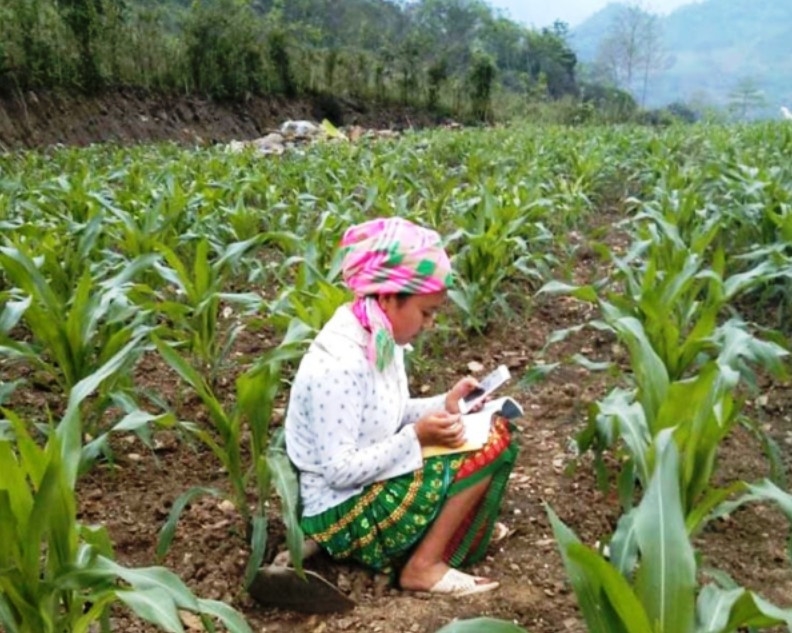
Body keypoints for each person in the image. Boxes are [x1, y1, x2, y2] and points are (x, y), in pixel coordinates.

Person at [284, 216, 519, 597]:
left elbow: (385, 413)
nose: (429, 324)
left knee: (496, 430)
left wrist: (447, 403)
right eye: (426, 313)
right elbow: (339, 470)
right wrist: (417, 436)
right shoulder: (340, 363)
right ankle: (422, 567)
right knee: (486, 449)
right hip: (342, 512)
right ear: (389, 297)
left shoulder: (376, 335)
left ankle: (451, 537)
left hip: (365, 481)